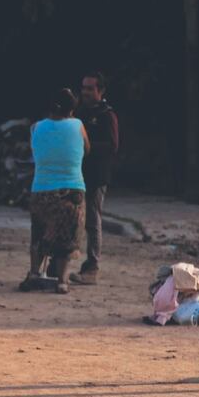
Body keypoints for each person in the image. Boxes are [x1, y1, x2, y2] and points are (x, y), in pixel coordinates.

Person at [22, 88, 90, 294]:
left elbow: (35, 150)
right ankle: (62, 280)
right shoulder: (78, 125)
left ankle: (34, 273)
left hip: (41, 188)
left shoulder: (36, 127)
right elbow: (87, 149)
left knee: (40, 232)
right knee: (67, 237)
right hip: (72, 189)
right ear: (71, 110)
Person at [71, 72, 119, 285]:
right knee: (72, 220)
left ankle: (92, 267)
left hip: (96, 176)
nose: (86, 92)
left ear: (101, 91)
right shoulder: (79, 112)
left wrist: (87, 147)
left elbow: (113, 146)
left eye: (90, 88)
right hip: (76, 175)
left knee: (93, 221)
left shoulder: (107, 115)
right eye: (84, 88)